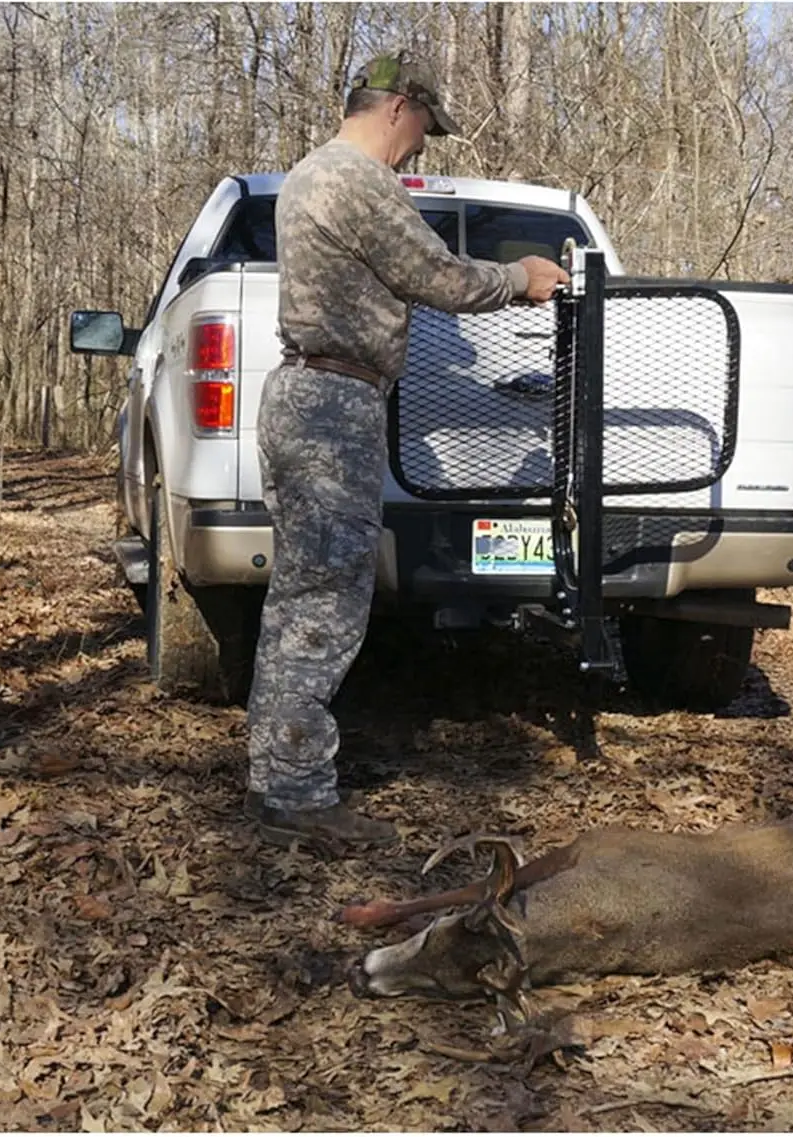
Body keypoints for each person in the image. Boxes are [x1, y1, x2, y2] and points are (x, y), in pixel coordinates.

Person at [244, 51, 570, 851]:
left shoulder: (313, 175)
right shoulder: (353, 179)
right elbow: (440, 277)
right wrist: (520, 276)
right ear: (398, 107)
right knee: (322, 599)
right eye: (424, 127)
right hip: (331, 408)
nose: (423, 145)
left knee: (303, 592)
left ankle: (281, 775)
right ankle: (295, 793)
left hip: (316, 400)